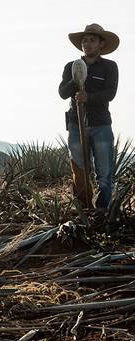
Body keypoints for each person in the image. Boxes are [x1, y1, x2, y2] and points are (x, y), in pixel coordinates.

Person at [58, 23, 120, 211]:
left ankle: (102, 211)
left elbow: (110, 93)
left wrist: (89, 98)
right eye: (84, 40)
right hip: (76, 125)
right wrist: (75, 79)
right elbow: (62, 92)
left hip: (101, 125)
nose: (87, 43)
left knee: (104, 172)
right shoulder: (71, 66)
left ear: (101, 44)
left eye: (92, 40)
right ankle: (85, 210)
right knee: (80, 171)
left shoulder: (109, 67)